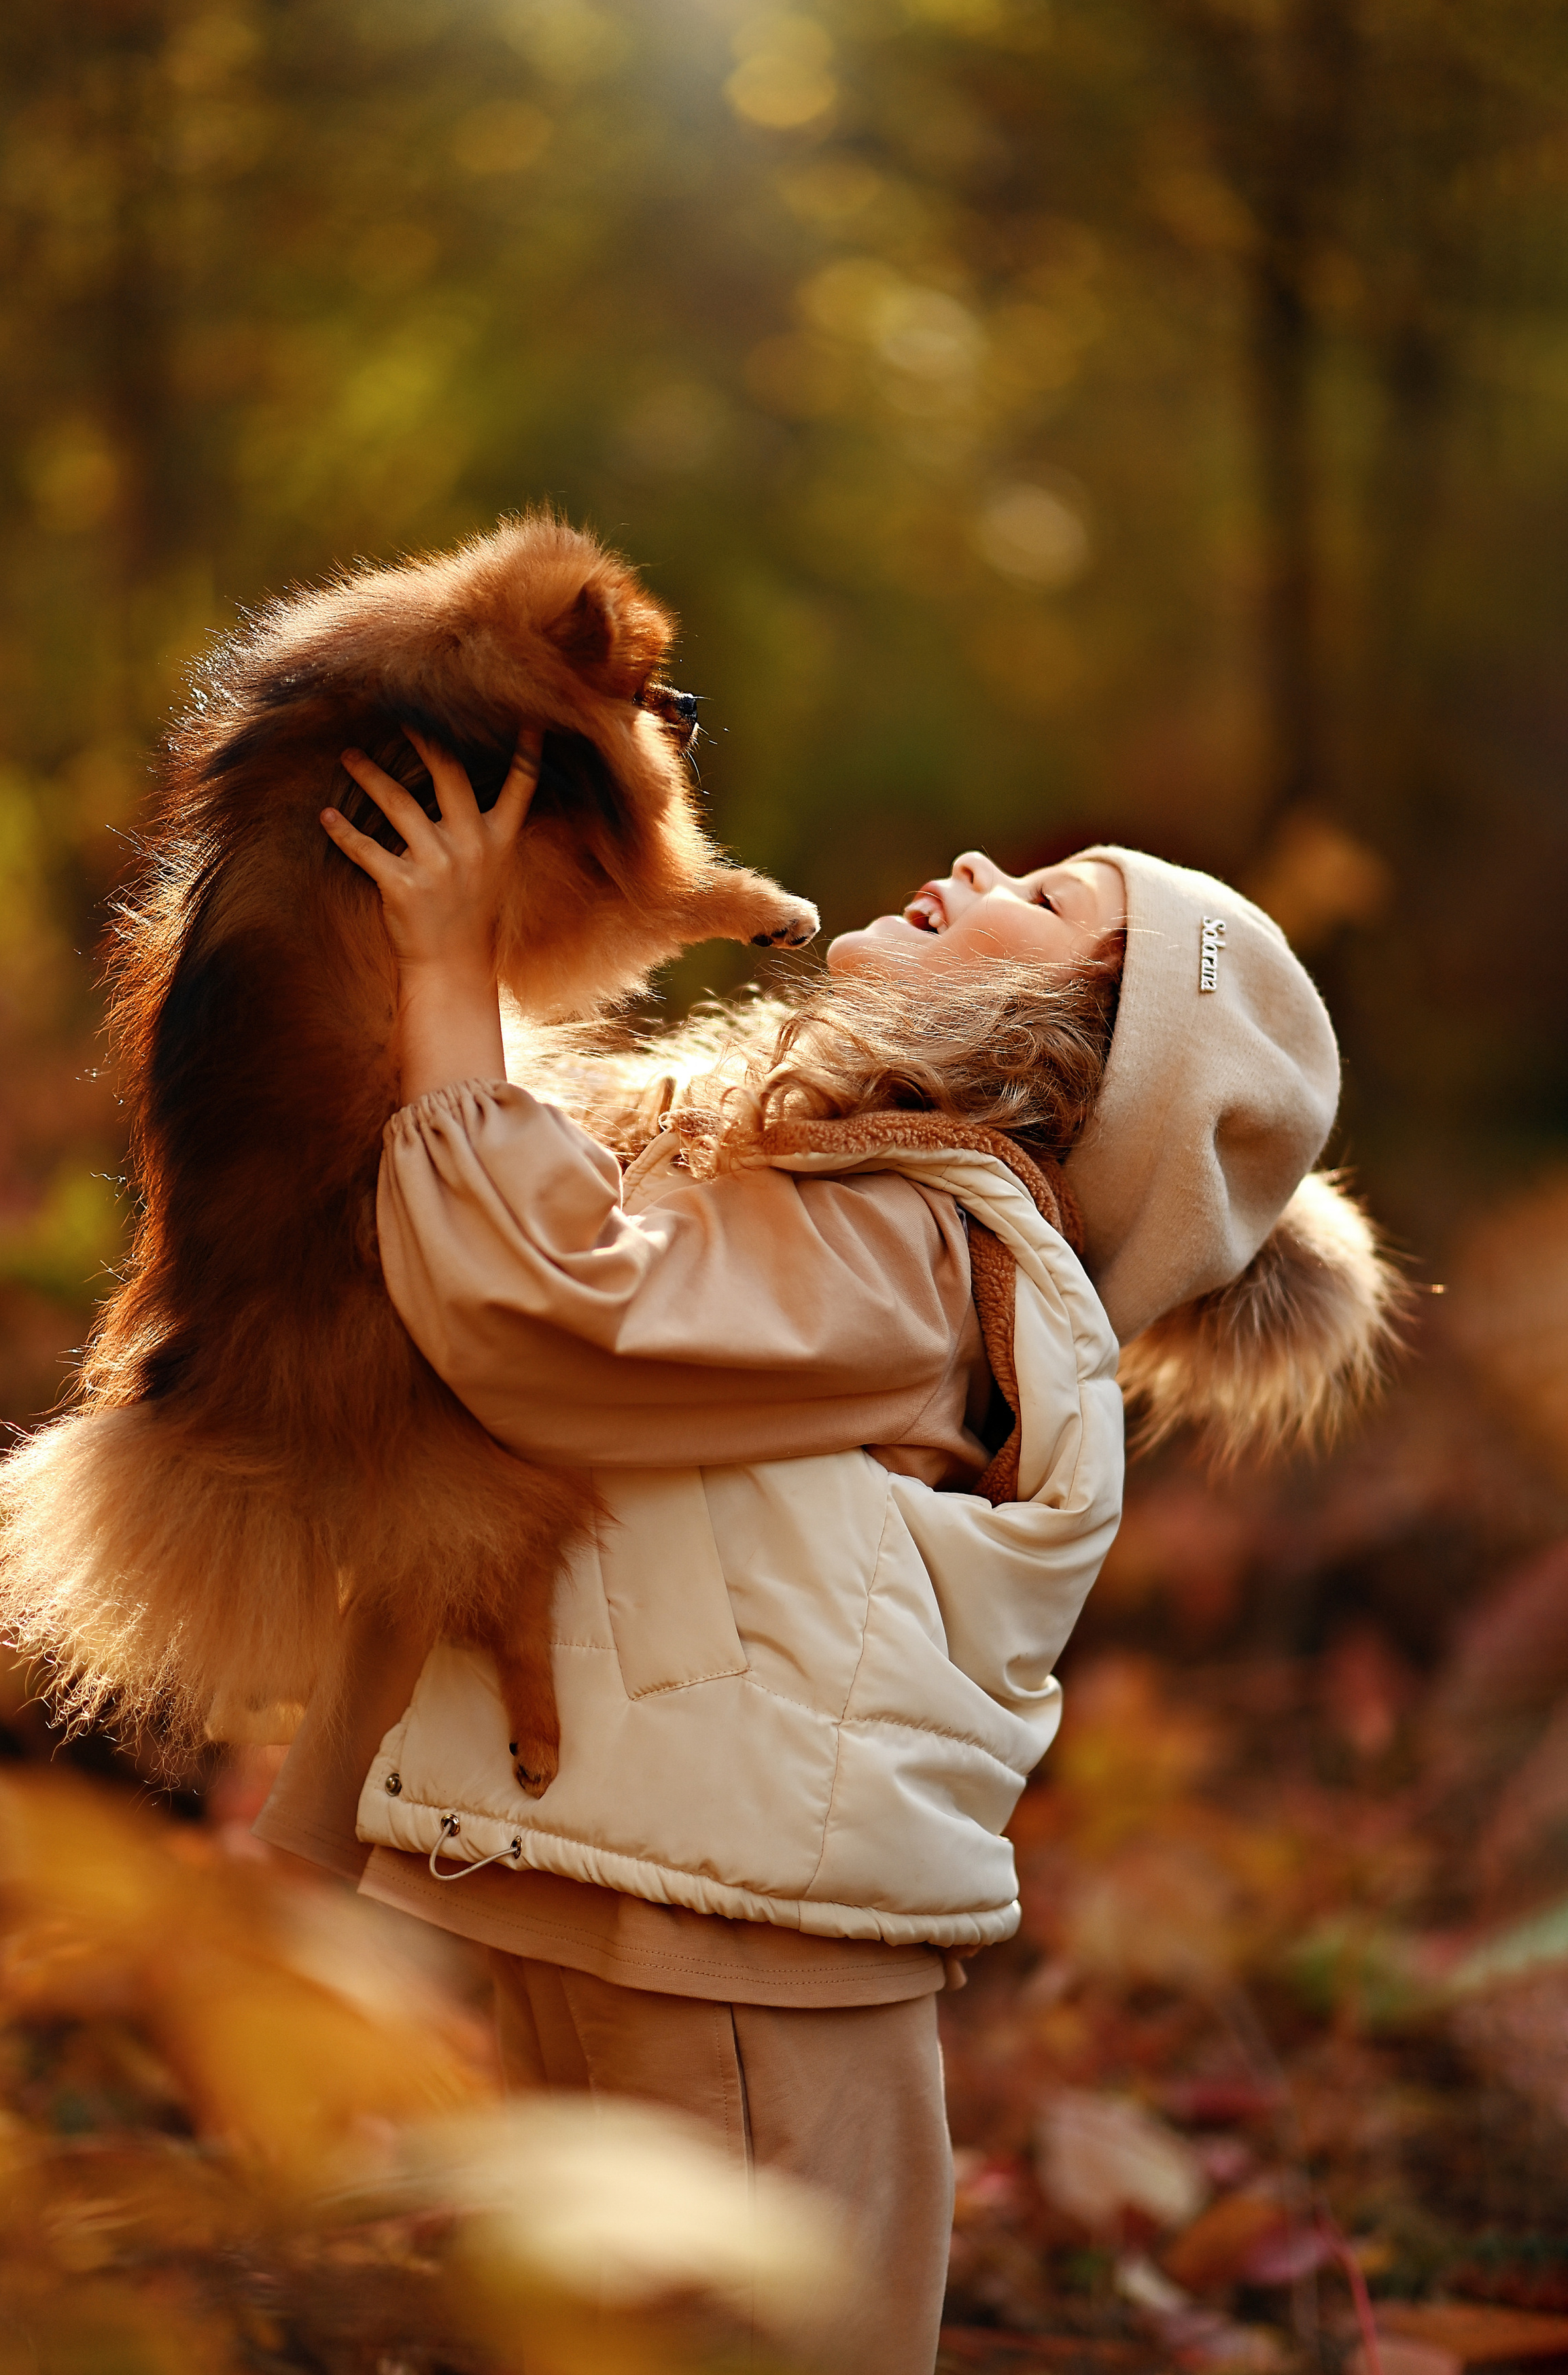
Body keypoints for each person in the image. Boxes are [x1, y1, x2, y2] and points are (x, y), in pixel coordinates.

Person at [256, 729, 1394, 2374]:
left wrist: (444, 963)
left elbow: (544, 1310)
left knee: (757, 2338)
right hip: (622, 1880)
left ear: (1081, 1047)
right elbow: (488, 1240)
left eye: (1050, 898)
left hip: (740, 1940)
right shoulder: (826, 1196)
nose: (979, 872)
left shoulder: (920, 1246)